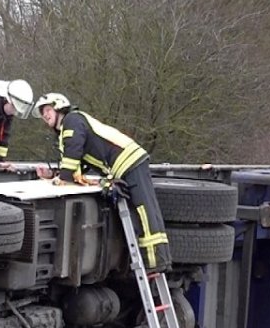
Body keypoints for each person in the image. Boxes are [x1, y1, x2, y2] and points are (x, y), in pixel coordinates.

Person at [32, 92, 171, 272]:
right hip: (125, 165)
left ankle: (156, 262)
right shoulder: (69, 127)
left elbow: (73, 154)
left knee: (144, 211)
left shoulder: (72, 121)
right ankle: (154, 261)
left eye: (48, 110)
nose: (45, 115)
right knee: (142, 211)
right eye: (43, 113)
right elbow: (78, 165)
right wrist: (52, 174)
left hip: (129, 162)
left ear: (59, 107)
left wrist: (62, 179)